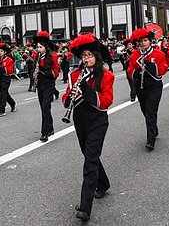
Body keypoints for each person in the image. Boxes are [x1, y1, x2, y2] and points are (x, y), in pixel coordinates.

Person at [63, 33, 114, 222]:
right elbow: (66, 96)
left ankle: (85, 207)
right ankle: (104, 183)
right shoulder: (74, 74)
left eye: (89, 55)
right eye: (83, 56)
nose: (86, 59)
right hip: (80, 120)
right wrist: (68, 99)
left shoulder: (106, 75)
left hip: (98, 120)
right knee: (89, 155)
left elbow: (106, 101)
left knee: (90, 161)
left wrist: (86, 89)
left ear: (96, 56)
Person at [127, 28, 168, 150]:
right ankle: (153, 129)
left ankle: (150, 140)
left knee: (151, 111)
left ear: (150, 41)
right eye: (141, 41)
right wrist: (137, 71)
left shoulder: (158, 54)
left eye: (145, 40)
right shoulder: (135, 54)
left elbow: (164, 68)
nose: (143, 43)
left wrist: (152, 66)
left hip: (154, 86)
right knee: (145, 111)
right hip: (141, 87)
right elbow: (129, 71)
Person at [33, 31, 59, 142]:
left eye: (41, 47)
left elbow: (56, 73)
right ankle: (50, 128)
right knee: (44, 108)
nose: (38, 49)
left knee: (45, 107)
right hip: (40, 85)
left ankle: (44, 133)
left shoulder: (52, 56)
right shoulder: (37, 57)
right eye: (38, 47)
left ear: (46, 47)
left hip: (49, 84)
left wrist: (44, 71)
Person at [0, 42, 17, 117]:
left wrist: (0, 67)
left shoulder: (9, 60)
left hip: (6, 77)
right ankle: (12, 103)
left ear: (5, 52)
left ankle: (1, 110)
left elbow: (9, 71)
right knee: (4, 93)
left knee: (3, 93)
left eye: (1, 51)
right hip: (0, 77)